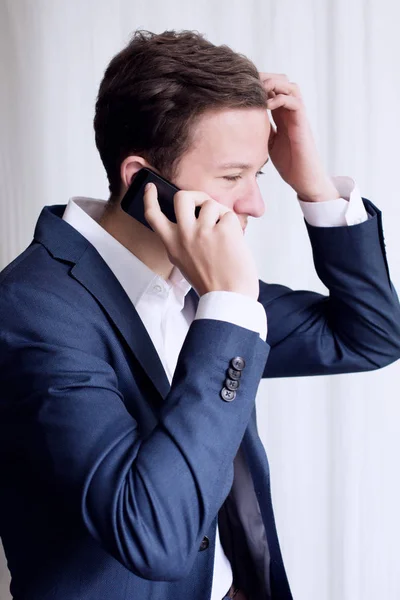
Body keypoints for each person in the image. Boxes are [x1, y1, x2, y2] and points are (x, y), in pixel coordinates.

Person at [0, 29, 399, 600]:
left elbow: (370, 336)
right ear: (143, 182)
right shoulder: (33, 313)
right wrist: (230, 310)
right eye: (233, 177)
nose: (257, 204)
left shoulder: (196, 283)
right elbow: (153, 537)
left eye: (256, 176)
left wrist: (311, 185)